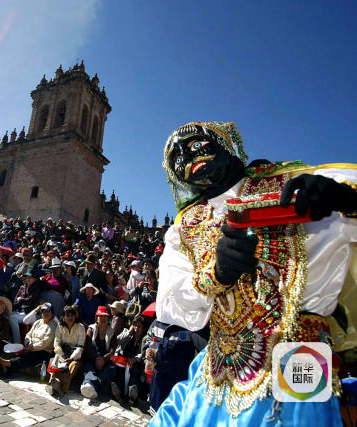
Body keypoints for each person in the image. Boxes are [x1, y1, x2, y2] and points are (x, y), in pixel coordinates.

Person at [150, 122, 357, 426]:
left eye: (195, 145)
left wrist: (347, 201)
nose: (188, 157)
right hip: (220, 365)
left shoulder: (295, 181)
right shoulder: (184, 227)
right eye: (177, 158)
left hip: (303, 353)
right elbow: (172, 306)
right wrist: (216, 274)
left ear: (225, 144)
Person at [0, 302, 58, 377]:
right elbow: (28, 334)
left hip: (44, 350)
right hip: (31, 346)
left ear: (52, 313)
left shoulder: (54, 325)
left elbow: (46, 342)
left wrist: (33, 347)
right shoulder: (38, 322)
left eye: (48, 311)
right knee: (20, 353)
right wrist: (28, 342)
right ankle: (7, 369)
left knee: (30, 356)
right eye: (43, 311)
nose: (45, 313)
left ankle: (6, 364)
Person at [46, 305, 85, 396]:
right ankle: (53, 384)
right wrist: (61, 355)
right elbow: (56, 343)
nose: (70, 318)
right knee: (55, 363)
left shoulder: (80, 327)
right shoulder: (60, 327)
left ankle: (61, 388)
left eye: (72, 315)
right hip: (62, 353)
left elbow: (80, 347)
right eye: (68, 315)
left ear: (75, 316)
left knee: (73, 366)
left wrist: (71, 358)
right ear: (63, 318)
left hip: (75, 356)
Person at [80, 306, 116, 400]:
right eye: (101, 316)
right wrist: (97, 358)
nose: (103, 318)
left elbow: (113, 349)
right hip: (92, 358)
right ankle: (89, 384)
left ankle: (92, 386)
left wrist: (103, 359)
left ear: (108, 318)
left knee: (109, 370)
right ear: (97, 318)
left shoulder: (112, 332)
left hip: (106, 360)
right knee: (89, 368)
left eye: (105, 316)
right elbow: (88, 346)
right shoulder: (91, 329)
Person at [111, 315, 147, 404]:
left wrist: (135, 359)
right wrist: (129, 332)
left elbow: (143, 352)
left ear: (143, 328)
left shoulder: (145, 339)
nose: (137, 328)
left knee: (134, 372)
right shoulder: (127, 333)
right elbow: (117, 341)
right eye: (135, 326)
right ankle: (119, 393)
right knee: (120, 373)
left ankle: (132, 393)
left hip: (135, 362)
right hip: (122, 360)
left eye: (139, 326)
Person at [9, 268, 42, 343]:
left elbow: (31, 301)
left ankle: (17, 341)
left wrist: (21, 300)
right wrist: (18, 302)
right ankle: (14, 339)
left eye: (31, 277)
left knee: (12, 317)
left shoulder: (36, 288)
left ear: (34, 279)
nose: (28, 279)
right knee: (9, 314)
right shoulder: (22, 287)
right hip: (22, 311)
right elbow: (16, 300)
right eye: (27, 277)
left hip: (32, 313)